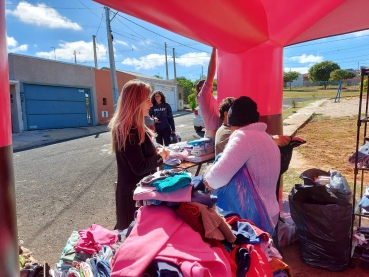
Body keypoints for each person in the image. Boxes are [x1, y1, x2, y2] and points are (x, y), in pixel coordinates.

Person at [205, 96, 281, 233]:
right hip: (271, 212)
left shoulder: (243, 137)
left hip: (255, 219)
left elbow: (215, 180)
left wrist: (208, 178)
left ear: (232, 121)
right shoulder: (266, 137)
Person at [108, 80, 169, 230]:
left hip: (138, 194)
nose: (151, 104)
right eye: (147, 100)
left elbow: (140, 155)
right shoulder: (128, 129)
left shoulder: (135, 126)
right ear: (136, 102)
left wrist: (156, 151)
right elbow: (139, 167)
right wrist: (161, 156)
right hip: (132, 198)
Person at [195, 48, 219, 142]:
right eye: (204, 84)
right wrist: (214, 49)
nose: (210, 84)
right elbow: (211, 74)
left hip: (216, 136)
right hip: (212, 139)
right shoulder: (203, 95)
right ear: (201, 88)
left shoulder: (212, 98)